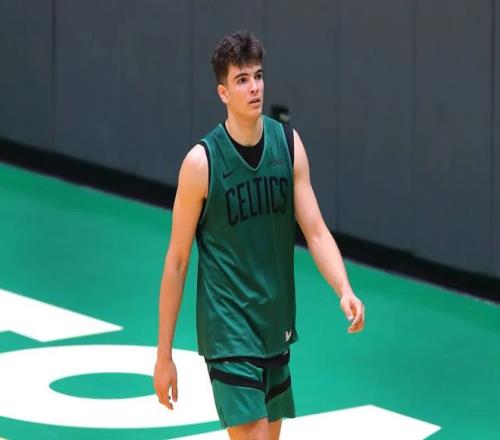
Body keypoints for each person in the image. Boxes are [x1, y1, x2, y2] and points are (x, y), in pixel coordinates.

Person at [154, 30, 365, 440]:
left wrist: (345, 289)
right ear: (223, 92)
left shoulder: (288, 145)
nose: (254, 88)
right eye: (242, 80)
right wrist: (164, 356)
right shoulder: (201, 164)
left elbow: (315, 231)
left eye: (258, 76)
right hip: (229, 330)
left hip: (274, 324)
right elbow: (177, 261)